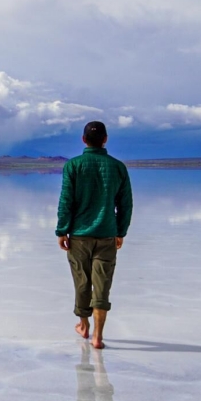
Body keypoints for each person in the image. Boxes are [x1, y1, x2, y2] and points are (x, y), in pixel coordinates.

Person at [56, 121, 132, 349]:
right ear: (105, 139)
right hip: (107, 234)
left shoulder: (73, 165)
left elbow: (66, 201)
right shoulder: (118, 167)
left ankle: (84, 325)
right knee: (102, 285)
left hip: (79, 235)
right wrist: (121, 231)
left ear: (83, 140)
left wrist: (62, 230)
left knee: (82, 281)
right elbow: (125, 204)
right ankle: (98, 336)